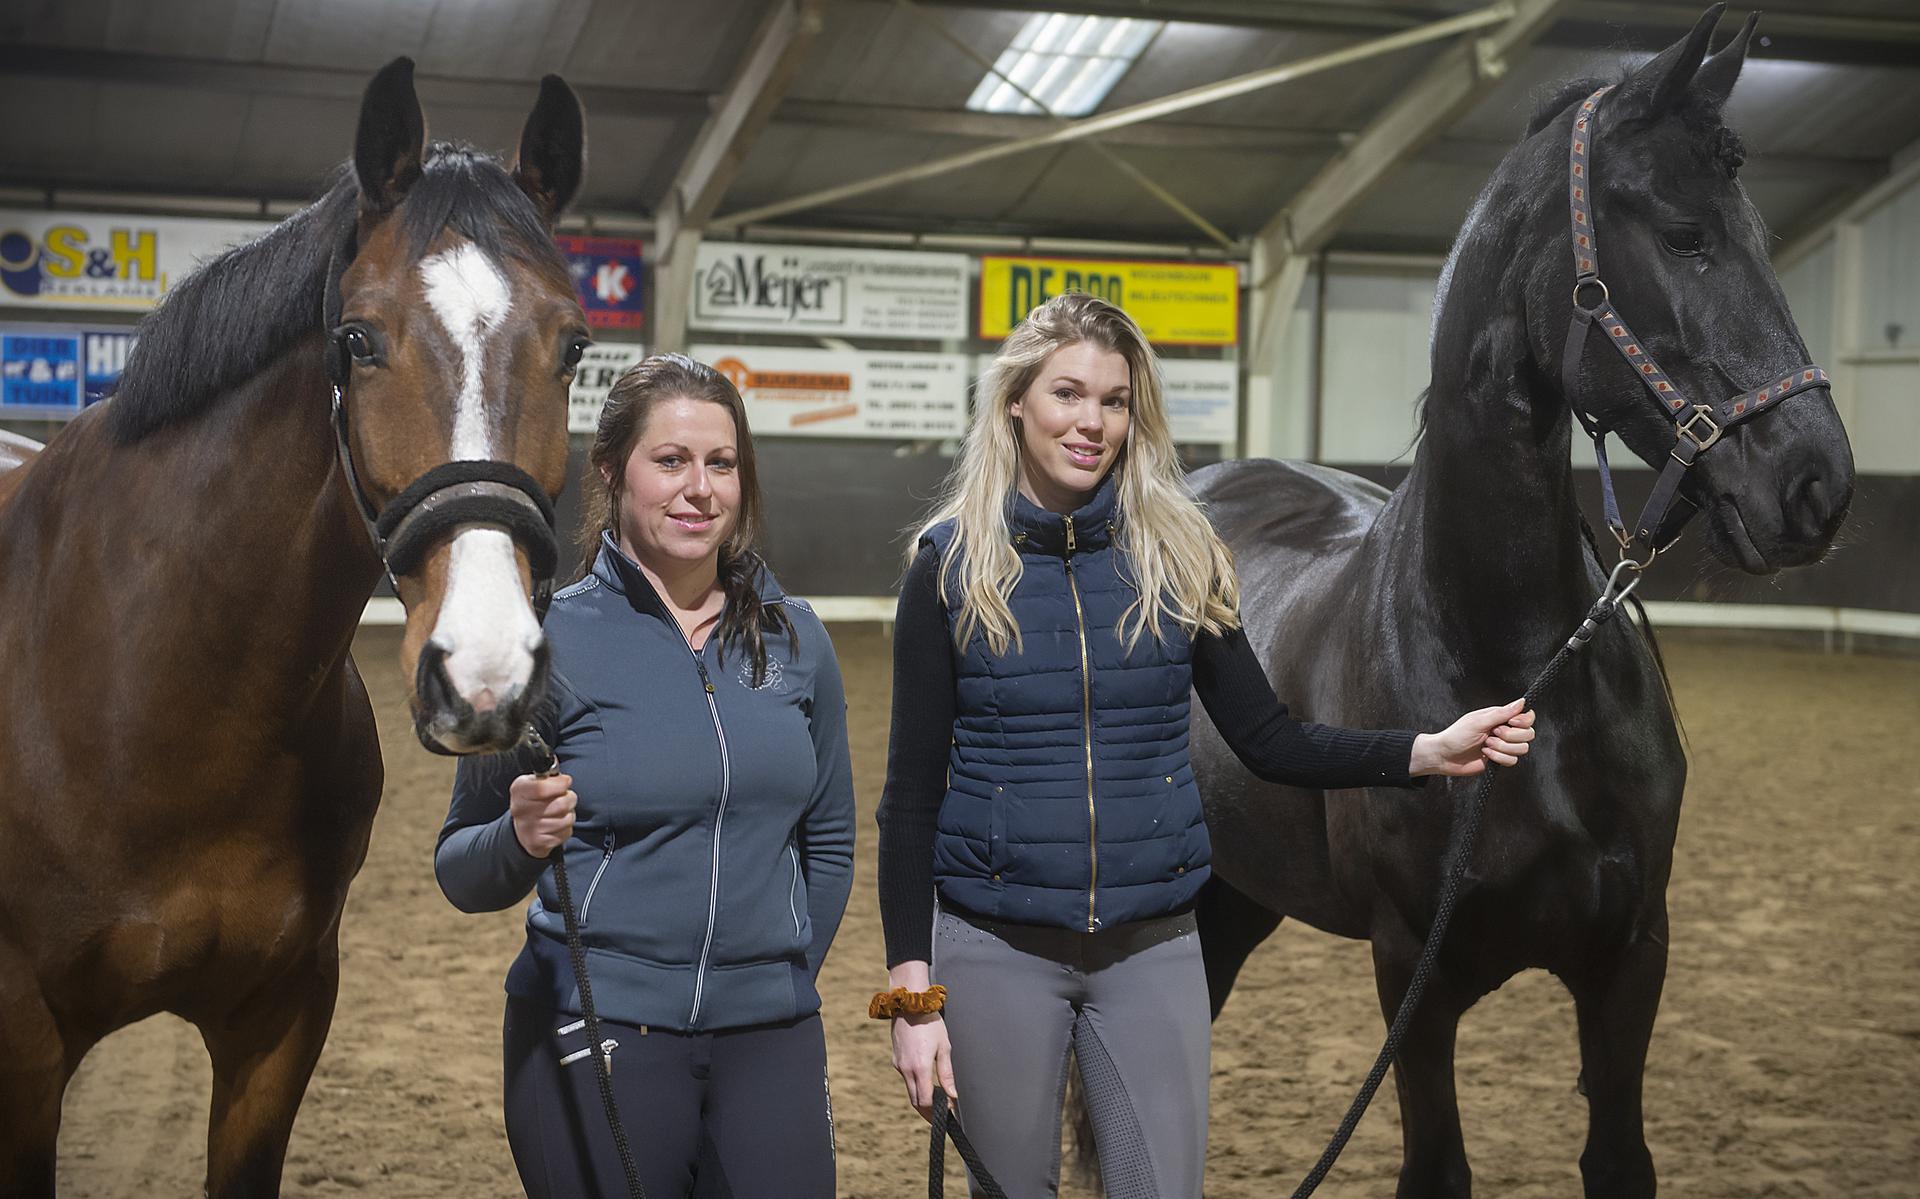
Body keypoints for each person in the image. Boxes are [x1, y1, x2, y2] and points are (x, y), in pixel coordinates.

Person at [874, 294, 1536, 1197]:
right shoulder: (947, 568)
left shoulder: (1181, 557)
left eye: (1115, 401)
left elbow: (1269, 739)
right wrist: (910, 1000)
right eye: (1069, 394)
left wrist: (1424, 749)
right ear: (1017, 401)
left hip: (1152, 952)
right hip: (996, 950)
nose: (1092, 422)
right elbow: (909, 798)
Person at [438, 352, 854, 1198]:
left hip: (769, 1032)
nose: (700, 488)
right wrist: (517, 839)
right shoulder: (545, 642)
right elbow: (459, 866)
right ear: (610, 469)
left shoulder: (799, 640)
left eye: (722, 463)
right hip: (596, 1027)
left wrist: (778, 975)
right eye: (671, 461)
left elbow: (832, 837)